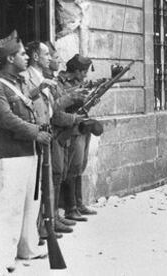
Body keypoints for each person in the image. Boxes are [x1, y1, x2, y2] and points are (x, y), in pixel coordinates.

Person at [0, 31, 52, 272]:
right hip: (9, 155)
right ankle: (2, 258)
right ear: (10, 59)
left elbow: (23, 106)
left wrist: (38, 91)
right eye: (23, 54)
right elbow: (6, 119)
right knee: (9, 206)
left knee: (29, 204)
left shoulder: (17, 84)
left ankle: (27, 248)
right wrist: (36, 132)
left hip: (27, 152)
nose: (27, 58)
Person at [21, 41, 79, 237]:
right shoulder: (27, 77)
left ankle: (49, 221)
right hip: (36, 134)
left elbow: (52, 108)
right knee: (40, 182)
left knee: (50, 178)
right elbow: (23, 102)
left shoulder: (44, 78)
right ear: (36, 57)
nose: (50, 58)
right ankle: (42, 225)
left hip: (47, 134)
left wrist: (72, 96)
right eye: (46, 55)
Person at [57, 54, 101, 221]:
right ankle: (70, 207)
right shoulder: (62, 83)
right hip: (70, 128)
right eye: (83, 72)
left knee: (80, 166)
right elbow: (61, 104)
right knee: (72, 167)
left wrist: (91, 100)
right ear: (75, 71)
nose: (85, 76)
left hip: (81, 127)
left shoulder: (77, 83)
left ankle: (79, 203)